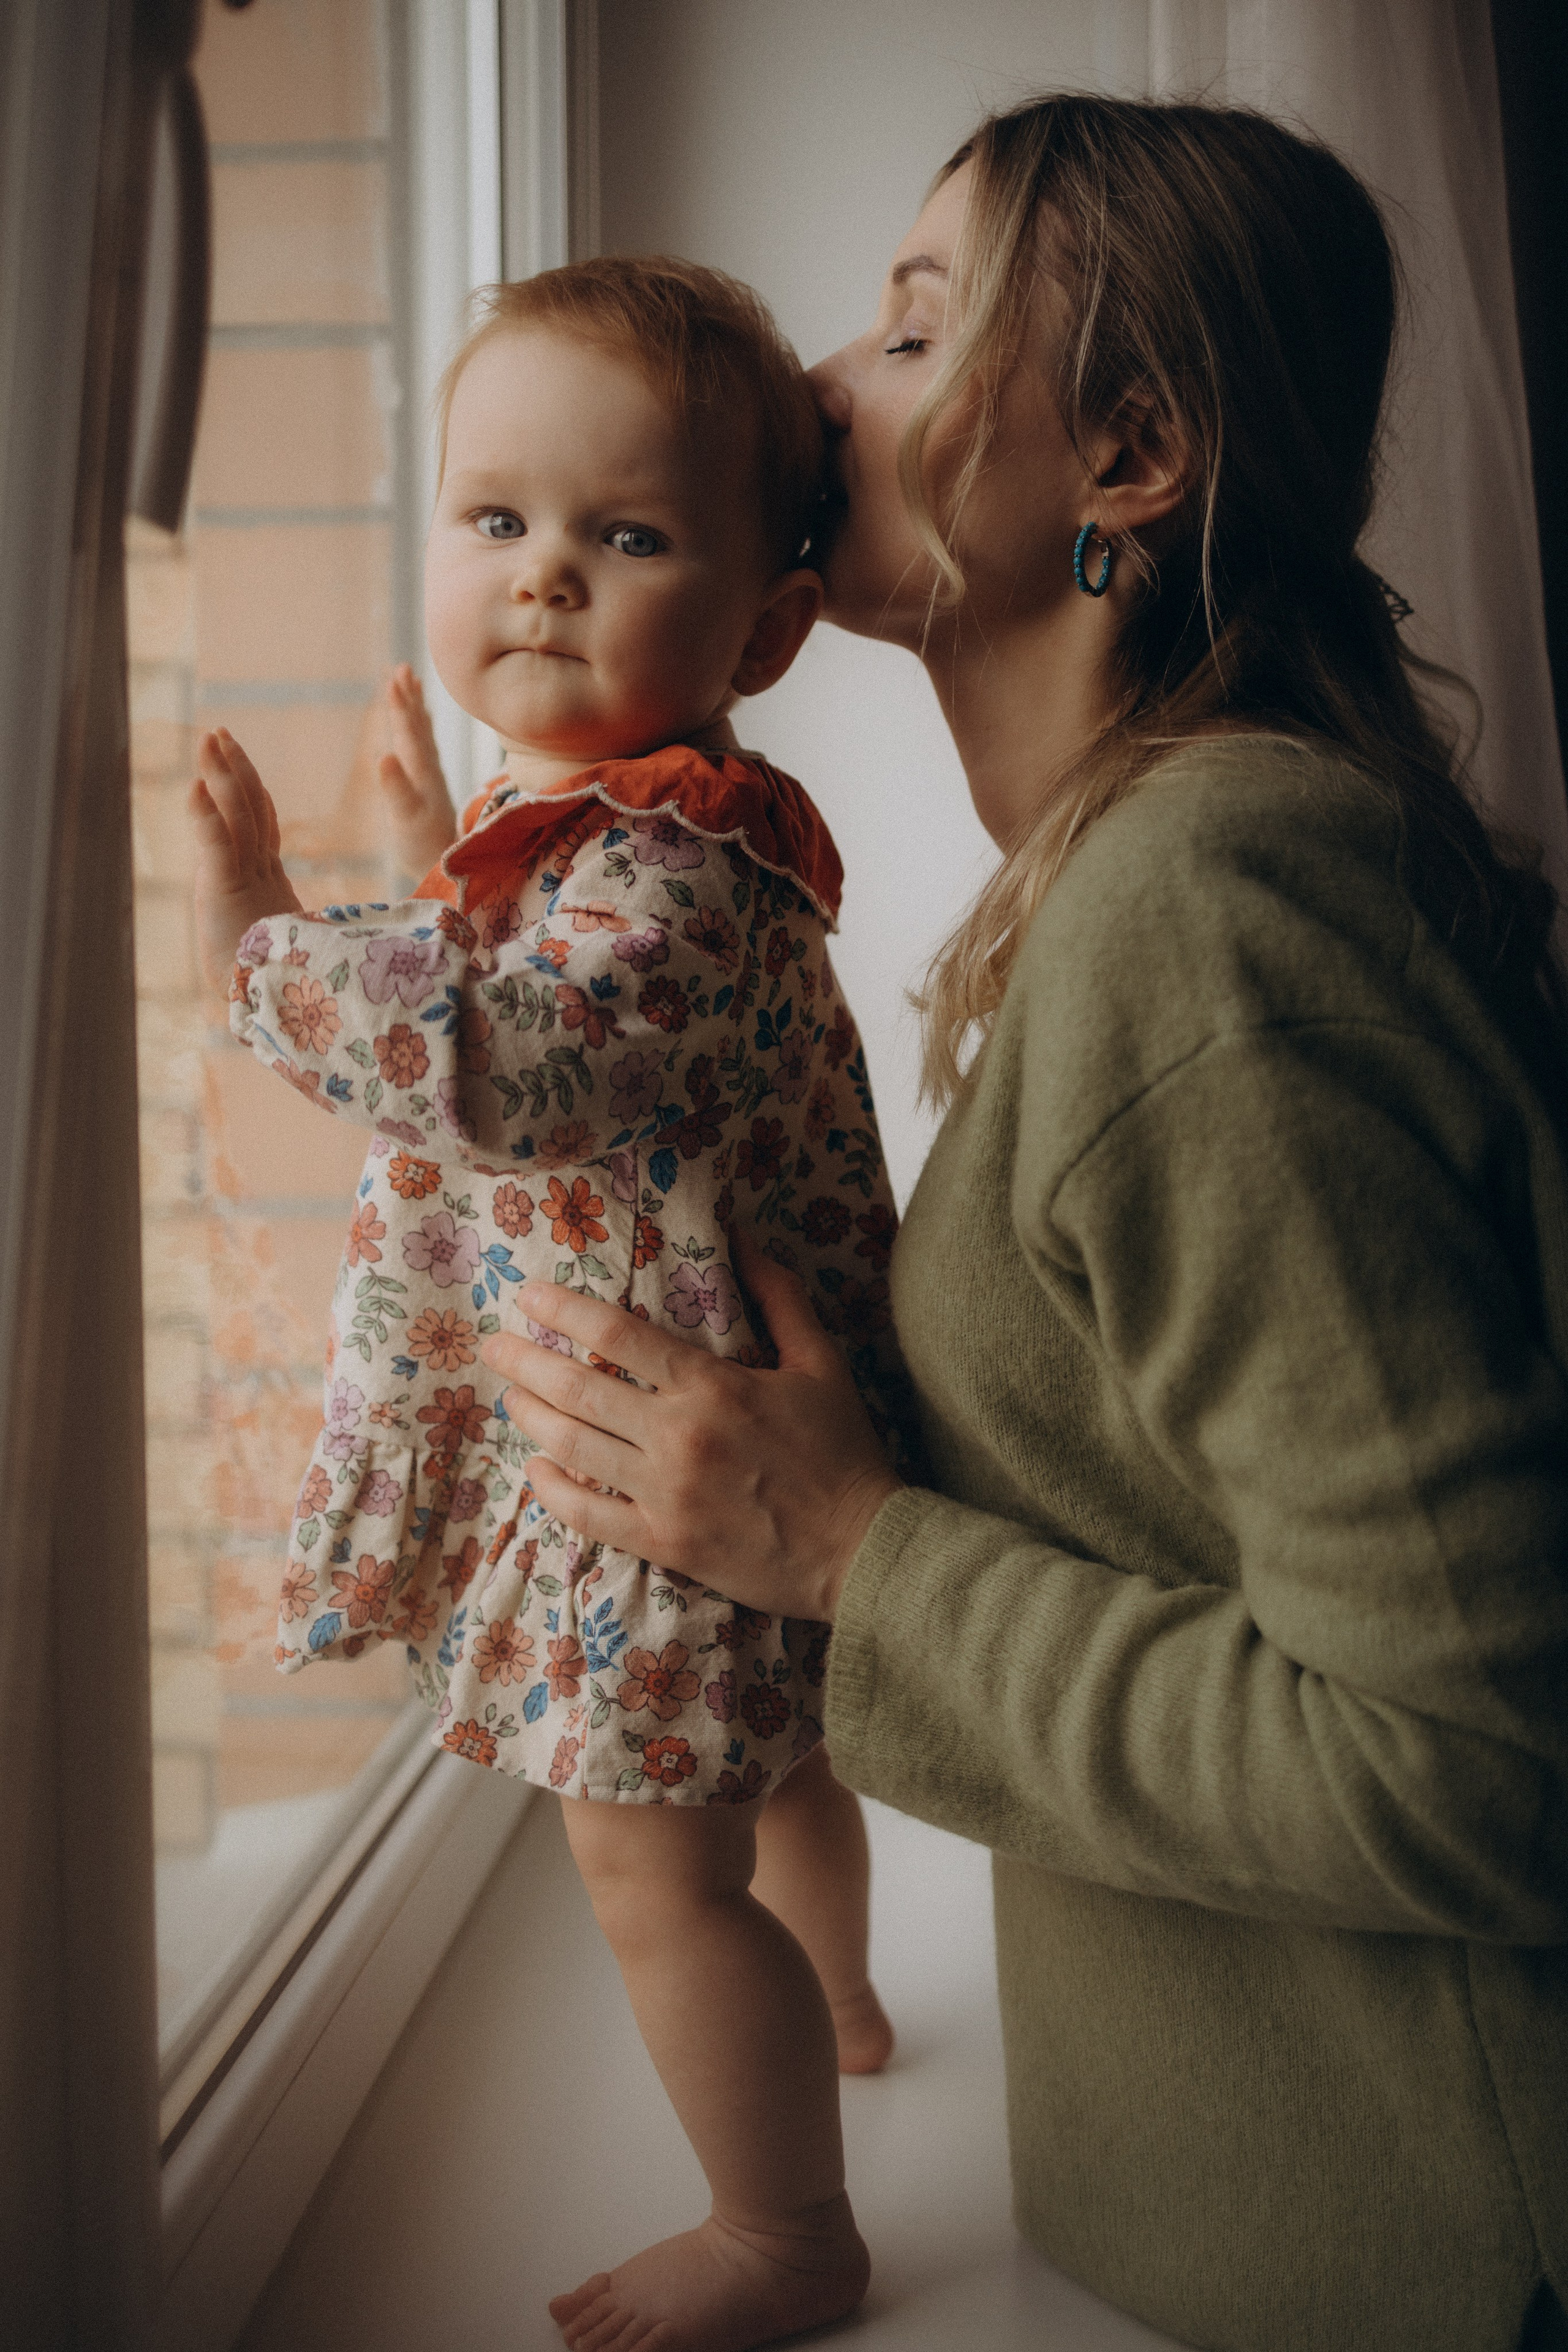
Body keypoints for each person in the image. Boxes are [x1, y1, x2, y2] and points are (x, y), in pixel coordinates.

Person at [483, 97, 1568, 2352]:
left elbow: (1483, 1761)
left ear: (1131, 458)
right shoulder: (1133, 879)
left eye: (909, 327)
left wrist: (852, 1554)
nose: (814, 384)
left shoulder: (1212, 911)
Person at [189, 257, 907, 2352]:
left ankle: (788, 2229)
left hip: (675, 1456)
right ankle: (843, 2001)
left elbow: (511, 1065)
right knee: (779, 1774)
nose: (544, 583)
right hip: (713, 1418)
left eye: (630, 535)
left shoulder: (683, 870)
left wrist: (265, 946)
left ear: (766, 627)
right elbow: (509, 973)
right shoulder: (586, 824)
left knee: (647, 1869)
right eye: (496, 521)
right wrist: (433, 869)